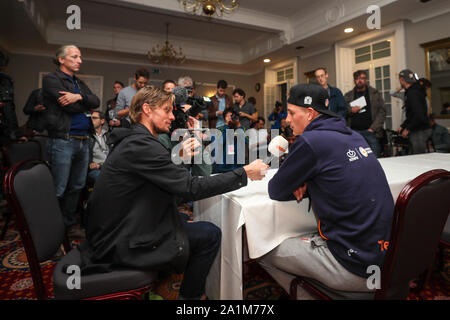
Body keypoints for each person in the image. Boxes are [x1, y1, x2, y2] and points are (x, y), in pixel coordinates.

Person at [79, 85, 268, 300]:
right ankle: (189, 299)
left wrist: (179, 158)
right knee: (210, 234)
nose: (173, 116)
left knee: (178, 218)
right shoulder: (143, 145)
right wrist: (243, 173)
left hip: (117, 223)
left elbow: (169, 185)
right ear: (147, 109)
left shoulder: (136, 139)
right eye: (167, 110)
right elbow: (190, 188)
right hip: (119, 238)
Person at [259, 84, 394, 299]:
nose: (287, 119)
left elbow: (275, 190)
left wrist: (305, 179)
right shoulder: (354, 136)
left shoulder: (311, 141)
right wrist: (311, 180)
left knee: (261, 249)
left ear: (310, 114)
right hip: (386, 260)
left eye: (292, 113)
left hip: (354, 266)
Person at [42, 45, 100, 240]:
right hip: (63, 141)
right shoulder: (51, 79)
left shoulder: (79, 83)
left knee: (77, 186)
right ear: (61, 59)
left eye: (80, 57)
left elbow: (96, 101)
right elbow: (70, 107)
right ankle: (51, 229)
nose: (79, 60)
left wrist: (78, 96)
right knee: (59, 187)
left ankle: (68, 225)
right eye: (74, 57)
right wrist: (82, 101)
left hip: (84, 141)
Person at [344, 70, 386, 158]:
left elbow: (382, 111)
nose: (360, 80)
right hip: (354, 133)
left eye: (362, 78)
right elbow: (343, 111)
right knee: (356, 159)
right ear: (354, 80)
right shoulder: (348, 95)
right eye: (357, 78)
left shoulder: (374, 93)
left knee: (375, 159)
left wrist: (373, 128)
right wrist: (351, 110)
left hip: (371, 132)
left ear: (366, 80)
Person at [397, 69, 431, 155]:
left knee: (419, 159)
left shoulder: (413, 93)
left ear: (401, 79)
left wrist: (408, 129)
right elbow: (412, 114)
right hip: (419, 129)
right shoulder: (415, 91)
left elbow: (418, 115)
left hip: (419, 131)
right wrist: (403, 125)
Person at [213, 108, 247, 173]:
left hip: (237, 166)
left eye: (231, 116)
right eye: (227, 116)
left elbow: (245, 141)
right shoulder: (220, 129)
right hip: (223, 167)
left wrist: (238, 125)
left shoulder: (240, 128)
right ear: (224, 118)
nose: (230, 118)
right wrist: (227, 126)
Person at [87, 111, 109, 185]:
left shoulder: (108, 135)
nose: (91, 120)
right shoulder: (88, 136)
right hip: (95, 169)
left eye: (94, 118)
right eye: (90, 118)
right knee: (103, 178)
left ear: (102, 121)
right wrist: (90, 163)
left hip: (108, 167)